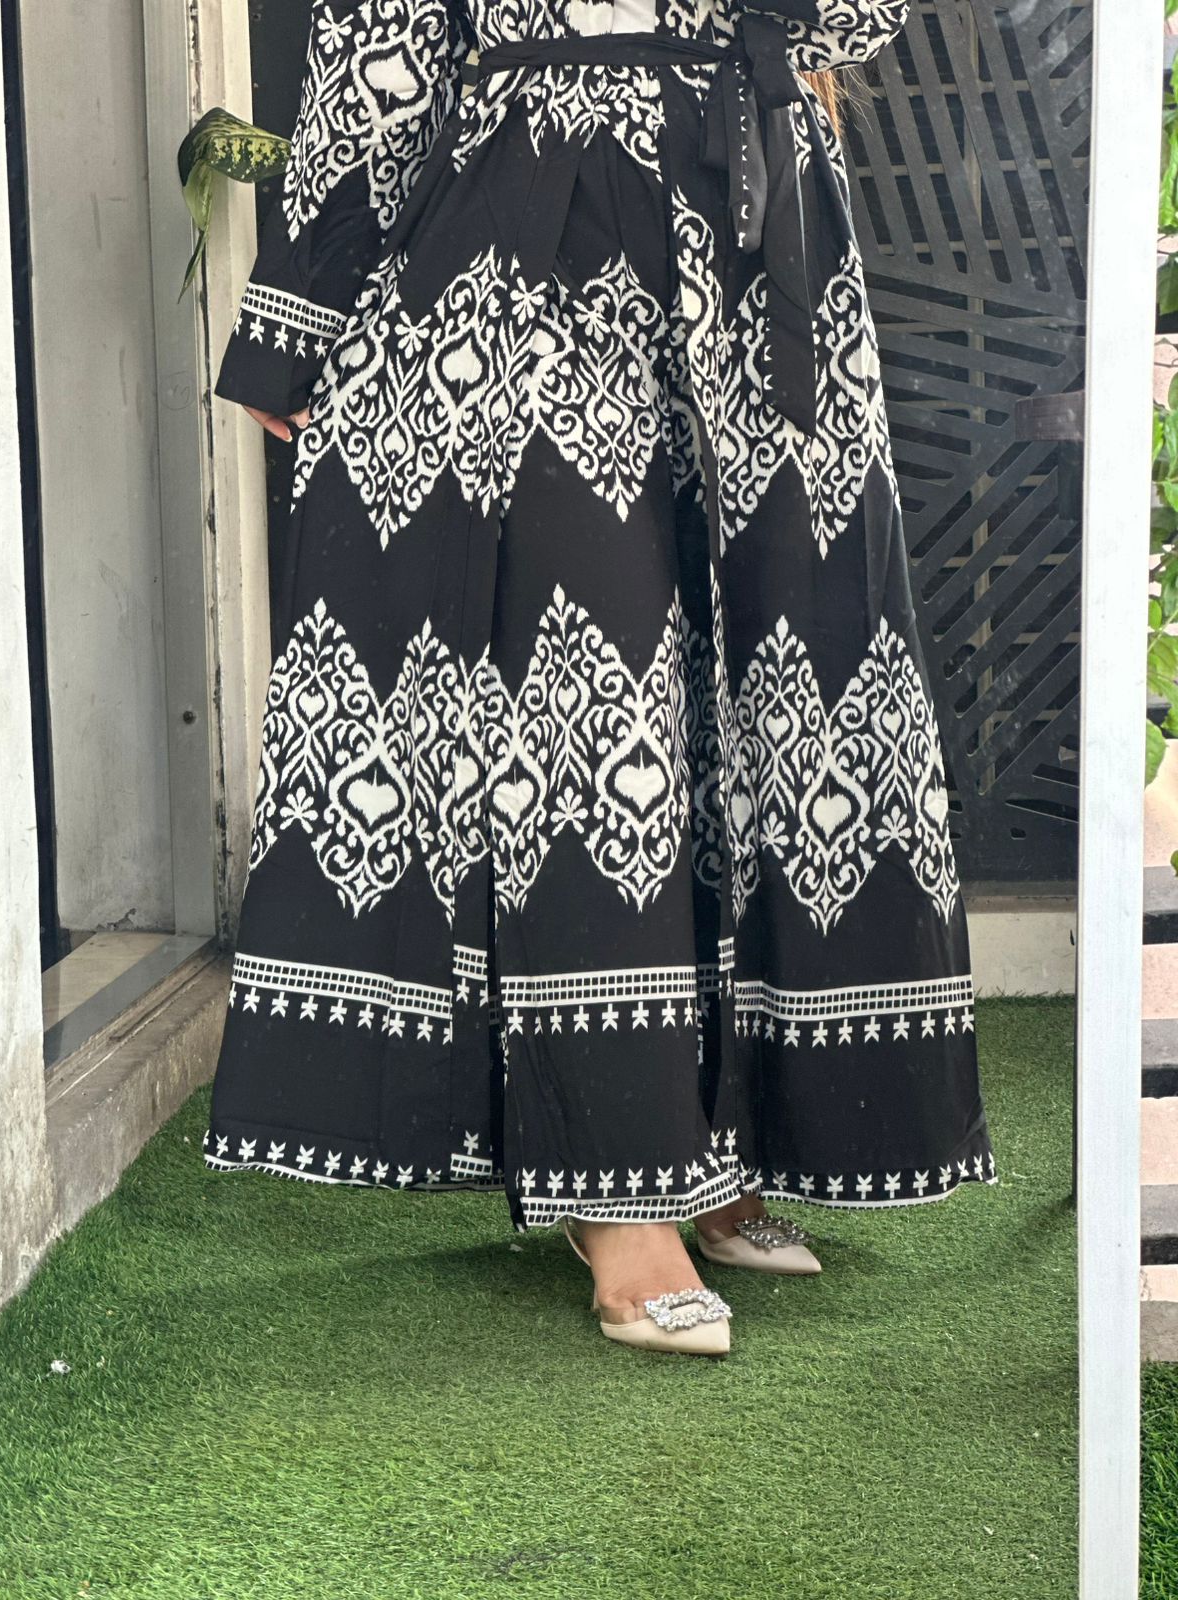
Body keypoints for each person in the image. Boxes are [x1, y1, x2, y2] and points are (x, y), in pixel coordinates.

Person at [203, 0, 995, 1357]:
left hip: (757, 239)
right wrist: (299, 314)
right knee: (594, 689)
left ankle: (717, 1146)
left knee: (765, 682)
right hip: (531, 250)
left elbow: (856, 18)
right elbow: (382, 42)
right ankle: (618, 1189)